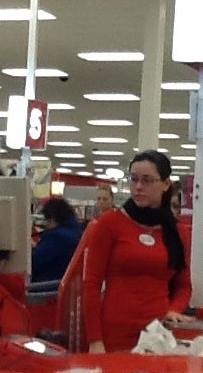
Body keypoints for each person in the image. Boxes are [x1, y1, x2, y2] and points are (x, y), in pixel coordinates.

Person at [82, 150, 194, 353]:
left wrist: (174, 310)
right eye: (134, 179)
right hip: (114, 334)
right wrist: (94, 339)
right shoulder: (109, 223)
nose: (139, 186)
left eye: (147, 180)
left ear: (166, 184)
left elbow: (184, 286)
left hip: (159, 336)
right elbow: (91, 284)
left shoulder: (178, 233)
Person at [31, 197, 83, 283]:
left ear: (52, 219)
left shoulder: (57, 237)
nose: (46, 224)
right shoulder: (75, 231)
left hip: (45, 285)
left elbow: (34, 261)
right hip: (61, 282)